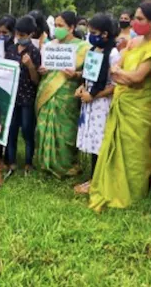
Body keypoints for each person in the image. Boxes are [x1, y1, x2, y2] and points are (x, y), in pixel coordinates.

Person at [87, 2, 151, 210]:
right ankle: (110, 188)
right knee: (115, 149)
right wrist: (122, 74)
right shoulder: (133, 41)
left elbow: (137, 77)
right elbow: (116, 68)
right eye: (135, 18)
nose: (134, 22)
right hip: (123, 102)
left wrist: (121, 74)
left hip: (142, 109)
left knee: (136, 153)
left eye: (140, 19)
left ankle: (133, 195)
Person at [35, 11, 88, 177]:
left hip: (68, 95)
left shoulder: (83, 47)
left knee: (66, 130)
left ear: (71, 28)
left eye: (61, 25)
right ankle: (45, 162)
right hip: (47, 91)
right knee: (43, 127)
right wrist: (42, 70)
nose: (57, 28)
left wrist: (76, 74)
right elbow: (45, 68)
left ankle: (67, 164)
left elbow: (89, 74)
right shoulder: (50, 46)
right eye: (56, 25)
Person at [73, 13, 120, 194]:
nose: (91, 36)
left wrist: (94, 95)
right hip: (89, 102)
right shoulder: (93, 50)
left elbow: (115, 85)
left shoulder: (113, 54)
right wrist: (82, 88)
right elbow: (88, 75)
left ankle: (97, 181)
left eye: (94, 32)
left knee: (99, 142)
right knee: (92, 141)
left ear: (105, 34)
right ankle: (93, 178)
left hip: (102, 104)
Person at [0, 16, 39, 175]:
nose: (19, 37)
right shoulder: (10, 50)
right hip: (11, 97)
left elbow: (36, 80)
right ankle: (11, 161)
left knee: (27, 130)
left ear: (31, 34)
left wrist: (30, 66)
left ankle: (29, 162)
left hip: (27, 97)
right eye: (18, 34)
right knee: (11, 130)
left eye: (23, 35)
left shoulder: (34, 52)